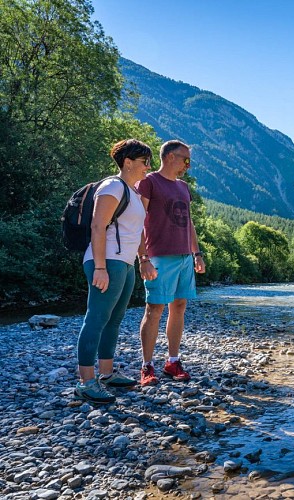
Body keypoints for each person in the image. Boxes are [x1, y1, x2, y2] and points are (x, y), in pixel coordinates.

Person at [74, 139, 153, 403]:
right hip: (106, 260)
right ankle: (86, 382)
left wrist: (143, 259)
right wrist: (99, 267)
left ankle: (106, 374)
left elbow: (137, 232)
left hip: (125, 263)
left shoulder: (132, 192)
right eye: (144, 162)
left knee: (114, 319)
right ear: (128, 162)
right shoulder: (112, 186)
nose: (147, 168)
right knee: (96, 318)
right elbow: (98, 227)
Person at [136, 140, 205, 386]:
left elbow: (189, 222)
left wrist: (197, 254)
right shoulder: (149, 182)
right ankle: (146, 366)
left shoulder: (184, 187)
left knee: (179, 307)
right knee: (154, 309)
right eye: (185, 159)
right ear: (170, 157)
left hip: (185, 256)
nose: (188, 165)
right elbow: (137, 221)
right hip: (159, 256)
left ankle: (172, 362)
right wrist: (143, 258)